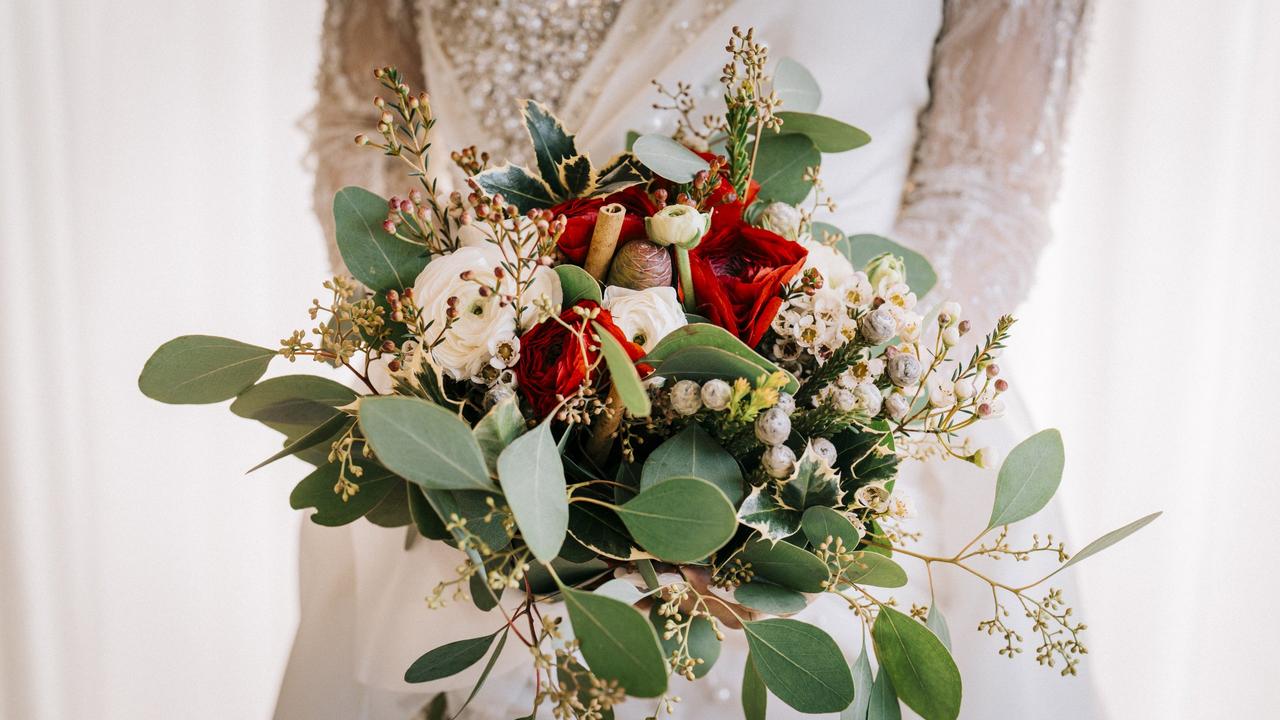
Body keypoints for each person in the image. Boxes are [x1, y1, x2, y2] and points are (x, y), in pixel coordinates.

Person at [280, 1, 1101, 717]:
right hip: (480, 463)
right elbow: (364, 132)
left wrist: (805, 427)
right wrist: (470, 376)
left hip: (819, 462)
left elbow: (986, 185)